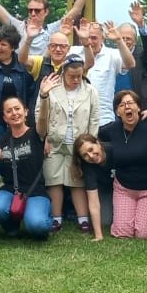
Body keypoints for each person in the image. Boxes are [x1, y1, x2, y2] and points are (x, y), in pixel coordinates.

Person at [94, 91, 147, 240]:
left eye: (130, 103)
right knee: (122, 232)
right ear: (117, 112)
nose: (127, 107)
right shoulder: (112, 129)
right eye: (122, 105)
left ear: (139, 107)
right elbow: (92, 136)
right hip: (124, 189)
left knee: (144, 233)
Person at [37, 57, 101, 233]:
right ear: (63, 72)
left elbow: (94, 119)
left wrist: (90, 144)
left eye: (79, 76)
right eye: (72, 76)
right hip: (54, 141)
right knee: (54, 179)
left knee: (77, 180)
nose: (75, 79)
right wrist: (44, 137)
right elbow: (40, 114)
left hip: (79, 143)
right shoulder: (51, 88)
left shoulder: (90, 91)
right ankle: (56, 218)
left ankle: (83, 219)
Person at [0, 96, 53, 238]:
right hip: (11, 189)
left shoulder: (36, 133)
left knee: (37, 225)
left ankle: (43, 219)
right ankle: (11, 223)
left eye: (17, 109)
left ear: (26, 112)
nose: (14, 113)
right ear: (5, 118)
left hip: (35, 190)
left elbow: (43, 119)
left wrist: (44, 97)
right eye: (9, 111)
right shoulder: (3, 139)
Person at [69, 20, 135, 126]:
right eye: (87, 37)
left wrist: (119, 40)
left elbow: (130, 64)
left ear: (102, 38)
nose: (90, 41)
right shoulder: (73, 52)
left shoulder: (112, 54)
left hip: (103, 119)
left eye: (94, 38)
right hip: (75, 120)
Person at [114, 0, 147, 110]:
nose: (125, 41)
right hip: (113, 109)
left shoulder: (142, 57)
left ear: (135, 41)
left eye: (128, 38)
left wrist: (141, 25)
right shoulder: (111, 56)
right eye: (122, 38)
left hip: (138, 109)